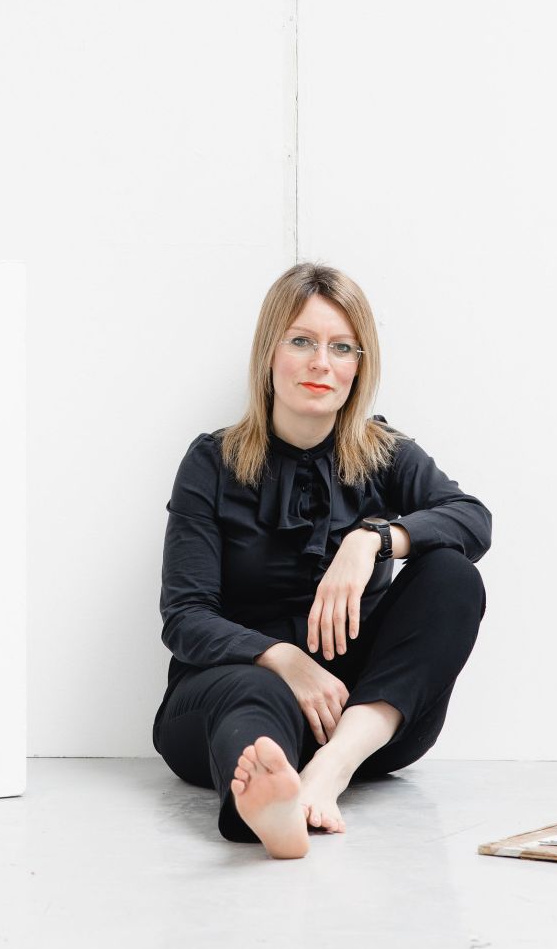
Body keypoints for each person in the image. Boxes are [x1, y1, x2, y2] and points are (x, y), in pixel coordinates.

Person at [153, 262, 490, 858]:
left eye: (341, 347)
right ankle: (269, 809)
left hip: (359, 719)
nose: (321, 364)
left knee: (452, 575)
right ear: (269, 353)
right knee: (252, 697)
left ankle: (327, 774)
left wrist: (373, 540)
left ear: (360, 364)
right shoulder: (211, 462)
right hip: (234, 694)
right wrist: (285, 660)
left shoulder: (388, 453)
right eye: (302, 342)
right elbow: (184, 616)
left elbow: (471, 519)